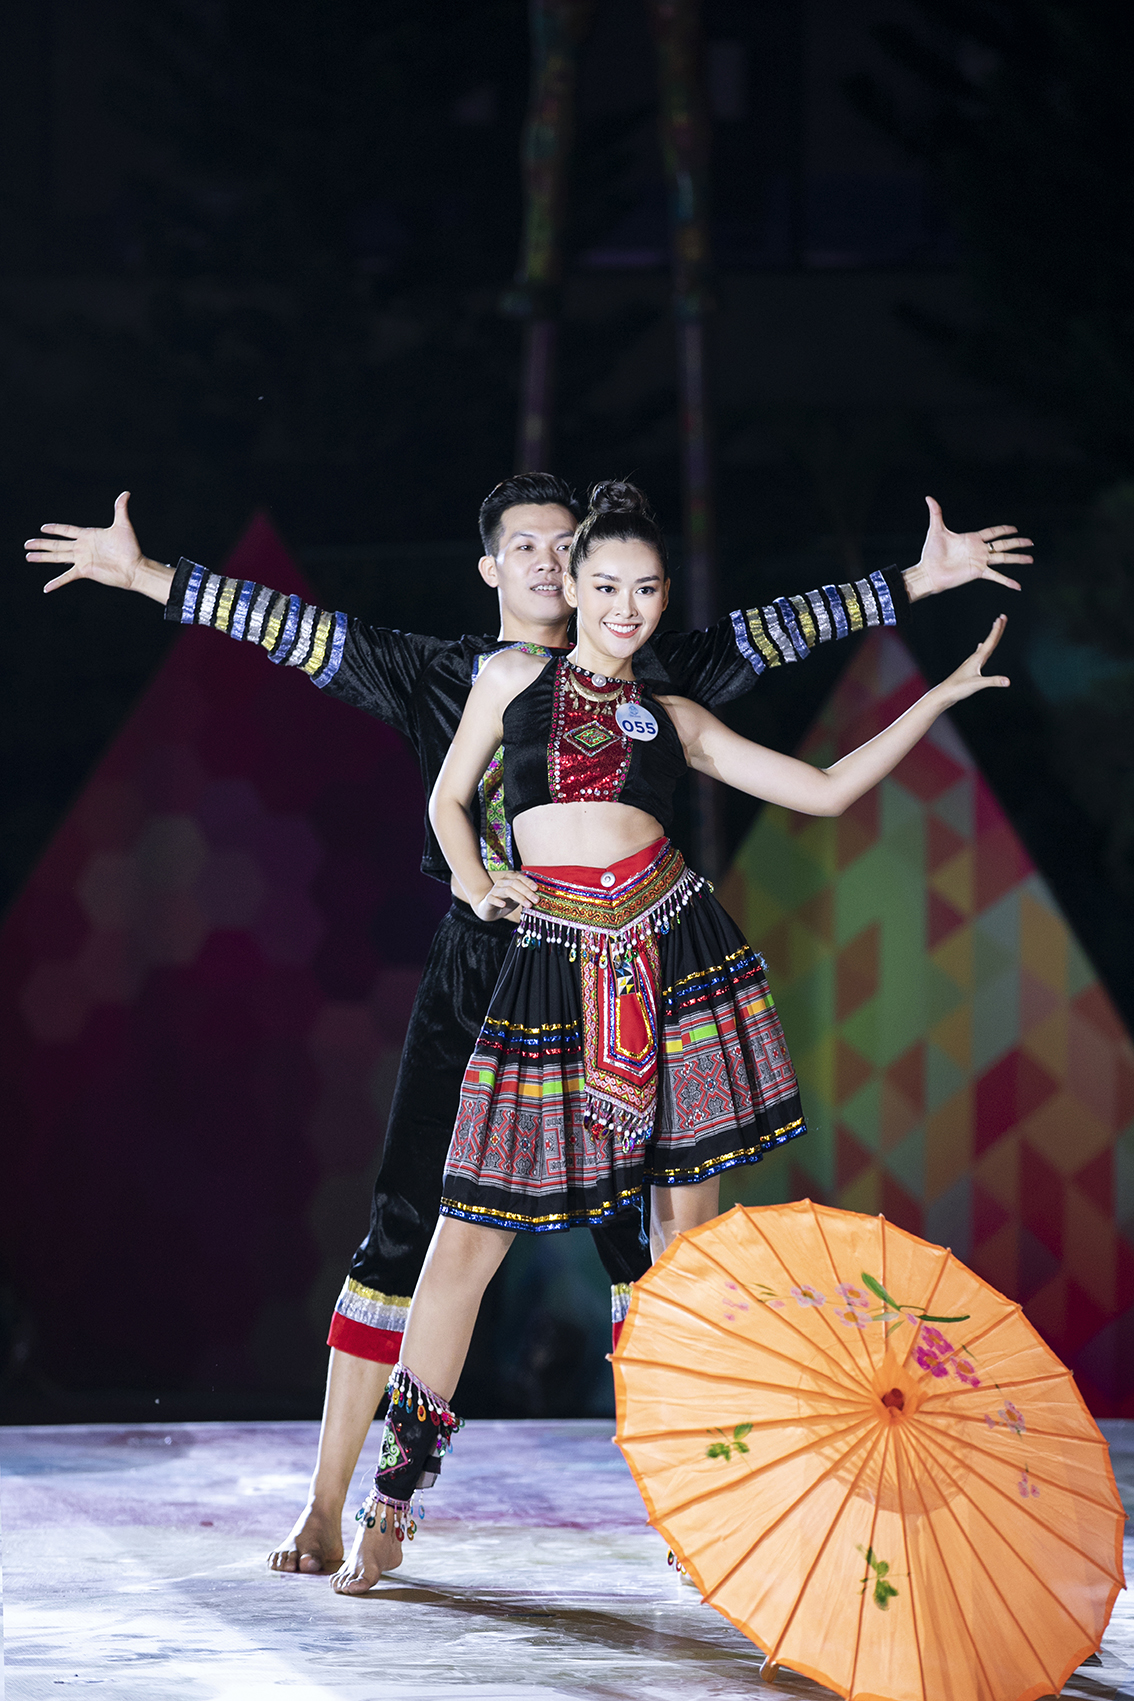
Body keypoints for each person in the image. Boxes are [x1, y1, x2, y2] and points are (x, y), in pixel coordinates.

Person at [26, 476, 1030, 1576]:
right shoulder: (456, 675)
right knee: (419, 1234)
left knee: (662, 1257)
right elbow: (300, 634)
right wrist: (149, 577)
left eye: (581, 554)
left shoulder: (661, 682)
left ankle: (695, 1509)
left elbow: (782, 640)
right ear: (496, 568)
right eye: (536, 551)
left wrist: (914, 588)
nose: (559, 568)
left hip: (650, 967)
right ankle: (339, 1506)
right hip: (492, 976)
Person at [330, 480, 1011, 1594]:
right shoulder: (507, 682)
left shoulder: (677, 714)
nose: (626, 607)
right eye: (606, 585)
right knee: (462, 1245)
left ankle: (693, 1503)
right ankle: (390, 1503)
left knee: (678, 1258)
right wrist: (479, 881)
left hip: (673, 963)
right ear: (572, 586)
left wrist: (935, 698)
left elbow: (824, 789)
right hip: (548, 971)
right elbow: (449, 803)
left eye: (646, 589)